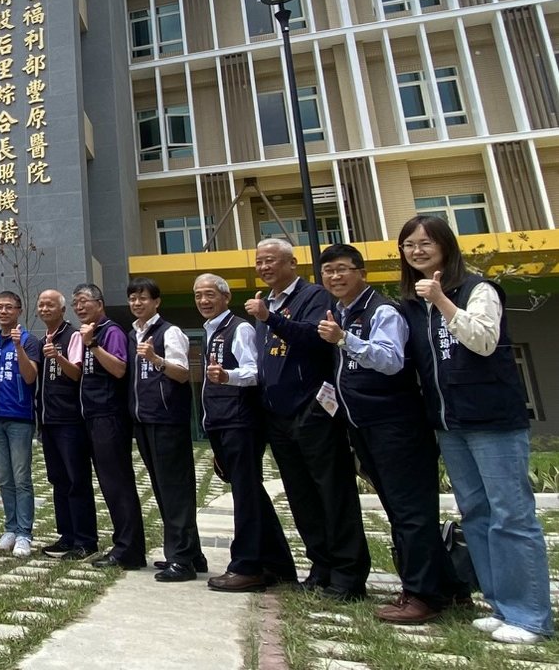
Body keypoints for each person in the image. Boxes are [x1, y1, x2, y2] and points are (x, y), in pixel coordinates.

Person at [398, 215, 552, 644]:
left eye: (425, 243)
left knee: (512, 516)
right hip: (450, 424)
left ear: (446, 246)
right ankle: (501, 606)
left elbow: (484, 340)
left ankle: (530, 617)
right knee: (477, 515)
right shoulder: (414, 303)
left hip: (492, 421)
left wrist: (443, 301)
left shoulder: (478, 290)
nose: (416, 251)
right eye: (409, 245)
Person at [315, 243, 462, 622]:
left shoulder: (381, 310)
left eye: (342, 269)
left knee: (411, 512)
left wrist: (344, 339)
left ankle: (422, 596)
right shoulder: (342, 312)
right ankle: (449, 589)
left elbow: (391, 360)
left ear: (361, 273)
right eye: (328, 271)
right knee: (399, 511)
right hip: (364, 425)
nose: (335, 276)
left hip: (396, 425)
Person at [243, 238, 369, 600]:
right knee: (301, 496)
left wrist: (269, 318)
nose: (264, 268)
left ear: (292, 264)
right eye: (260, 262)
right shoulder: (267, 302)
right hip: (278, 416)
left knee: (333, 492)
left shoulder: (313, 296)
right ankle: (321, 565)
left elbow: (315, 339)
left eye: (271, 261)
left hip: (313, 411)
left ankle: (348, 574)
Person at [195, 273, 295, 592]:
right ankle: (278, 564)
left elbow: (253, 372)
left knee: (246, 495)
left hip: (240, 422)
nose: (203, 301)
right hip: (221, 422)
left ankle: (246, 565)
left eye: (210, 294)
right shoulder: (211, 330)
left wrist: (227, 376)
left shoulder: (239, 328)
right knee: (251, 494)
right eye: (198, 295)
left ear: (226, 297)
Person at [125, 277, 204, 582]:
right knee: (162, 488)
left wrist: (156, 359)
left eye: (143, 298)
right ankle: (191, 554)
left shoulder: (169, 332)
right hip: (143, 420)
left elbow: (182, 373)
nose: (137, 303)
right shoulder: (133, 334)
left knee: (176, 490)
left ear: (156, 302)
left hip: (167, 419)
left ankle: (181, 560)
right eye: (133, 298)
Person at [74, 283, 146, 570]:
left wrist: (92, 344)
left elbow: (119, 368)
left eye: (84, 301)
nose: (79, 307)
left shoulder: (110, 331)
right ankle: (124, 544)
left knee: (118, 483)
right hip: (92, 416)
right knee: (108, 483)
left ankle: (129, 550)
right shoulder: (89, 332)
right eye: (75, 303)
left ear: (100, 304)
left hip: (109, 416)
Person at [34, 290, 97, 561]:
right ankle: (67, 536)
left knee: (76, 480)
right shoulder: (44, 339)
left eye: (50, 305)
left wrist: (57, 357)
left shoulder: (72, 336)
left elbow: (76, 373)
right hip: (48, 420)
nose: (44, 309)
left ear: (62, 310)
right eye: (41, 305)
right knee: (58, 480)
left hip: (70, 420)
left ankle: (86, 540)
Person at [0, 291, 42, 558]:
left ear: (19, 310)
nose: (3, 311)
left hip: (19, 417)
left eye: (9, 307)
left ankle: (24, 534)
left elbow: (30, 377)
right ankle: (10, 528)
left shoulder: (29, 341)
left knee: (21, 478)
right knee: (4, 478)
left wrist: (18, 347)